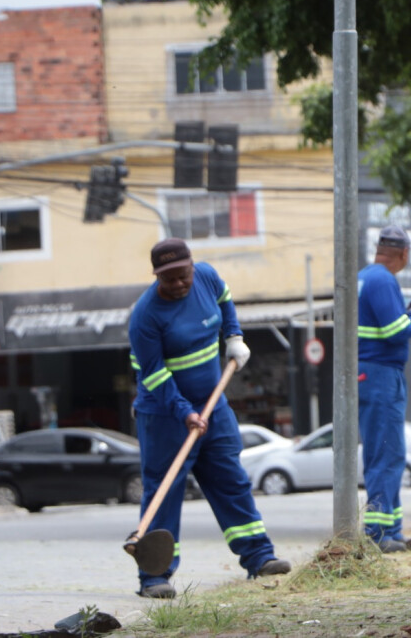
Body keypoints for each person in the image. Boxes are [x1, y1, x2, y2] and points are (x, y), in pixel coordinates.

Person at [128, 238, 291, 599]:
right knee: (165, 490)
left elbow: (225, 299)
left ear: (191, 267)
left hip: (213, 405)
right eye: (168, 279)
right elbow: (153, 376)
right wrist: (184, 412)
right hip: (164, 415)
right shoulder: (145, 316)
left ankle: (259, 557)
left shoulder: (207, 276)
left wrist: (234, 335)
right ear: (157, 276)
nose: (178, 284)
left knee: (230, 479)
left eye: (182, 275)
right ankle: (153, 576)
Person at [357, 225, 411, 552]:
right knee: (387, 454)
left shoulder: (366, 277)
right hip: (380, 373)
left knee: (387, 454)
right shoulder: (382, 279)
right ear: (403, 254)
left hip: (373, 373)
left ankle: (392, 529)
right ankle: (378, 533)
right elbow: (394, 330)